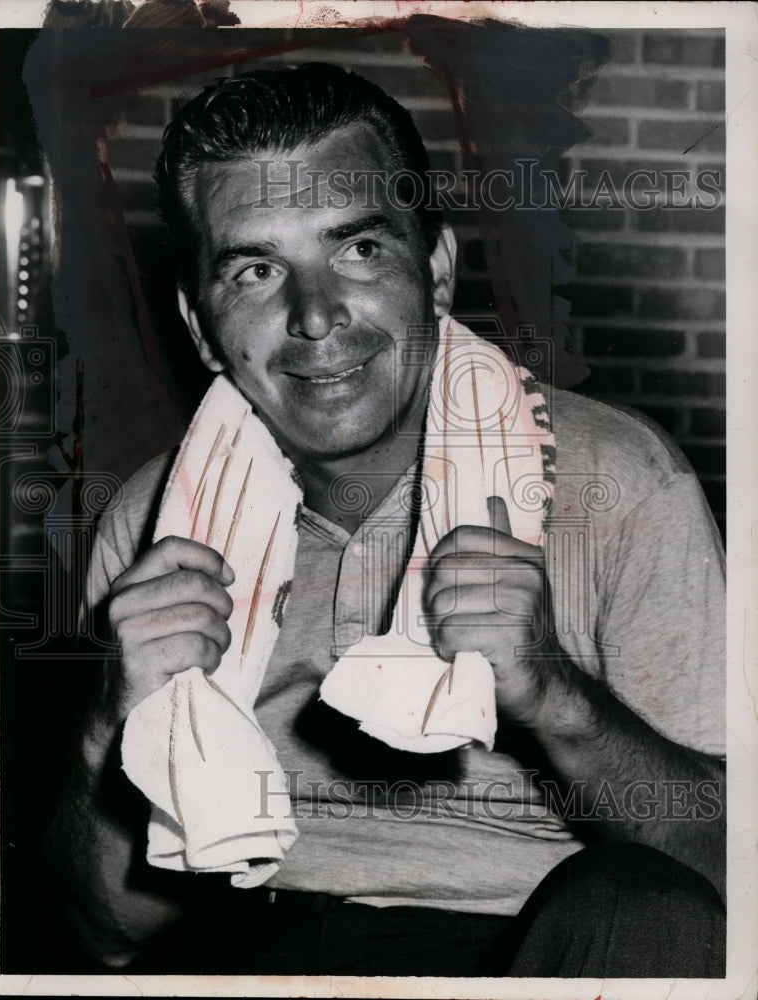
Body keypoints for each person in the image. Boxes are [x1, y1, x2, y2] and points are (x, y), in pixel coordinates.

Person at [47, 63, 726, 978]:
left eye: (358, 250)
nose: (316, 317)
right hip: (254, 948)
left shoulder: (622, 480)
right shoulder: (154, 523)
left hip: (537, 949)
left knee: (637, 908)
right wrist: (109, 727)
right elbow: (107, 934)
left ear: (436, 270)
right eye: (255, 269)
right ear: (203, 326)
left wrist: (556, 695)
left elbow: (730, 878)